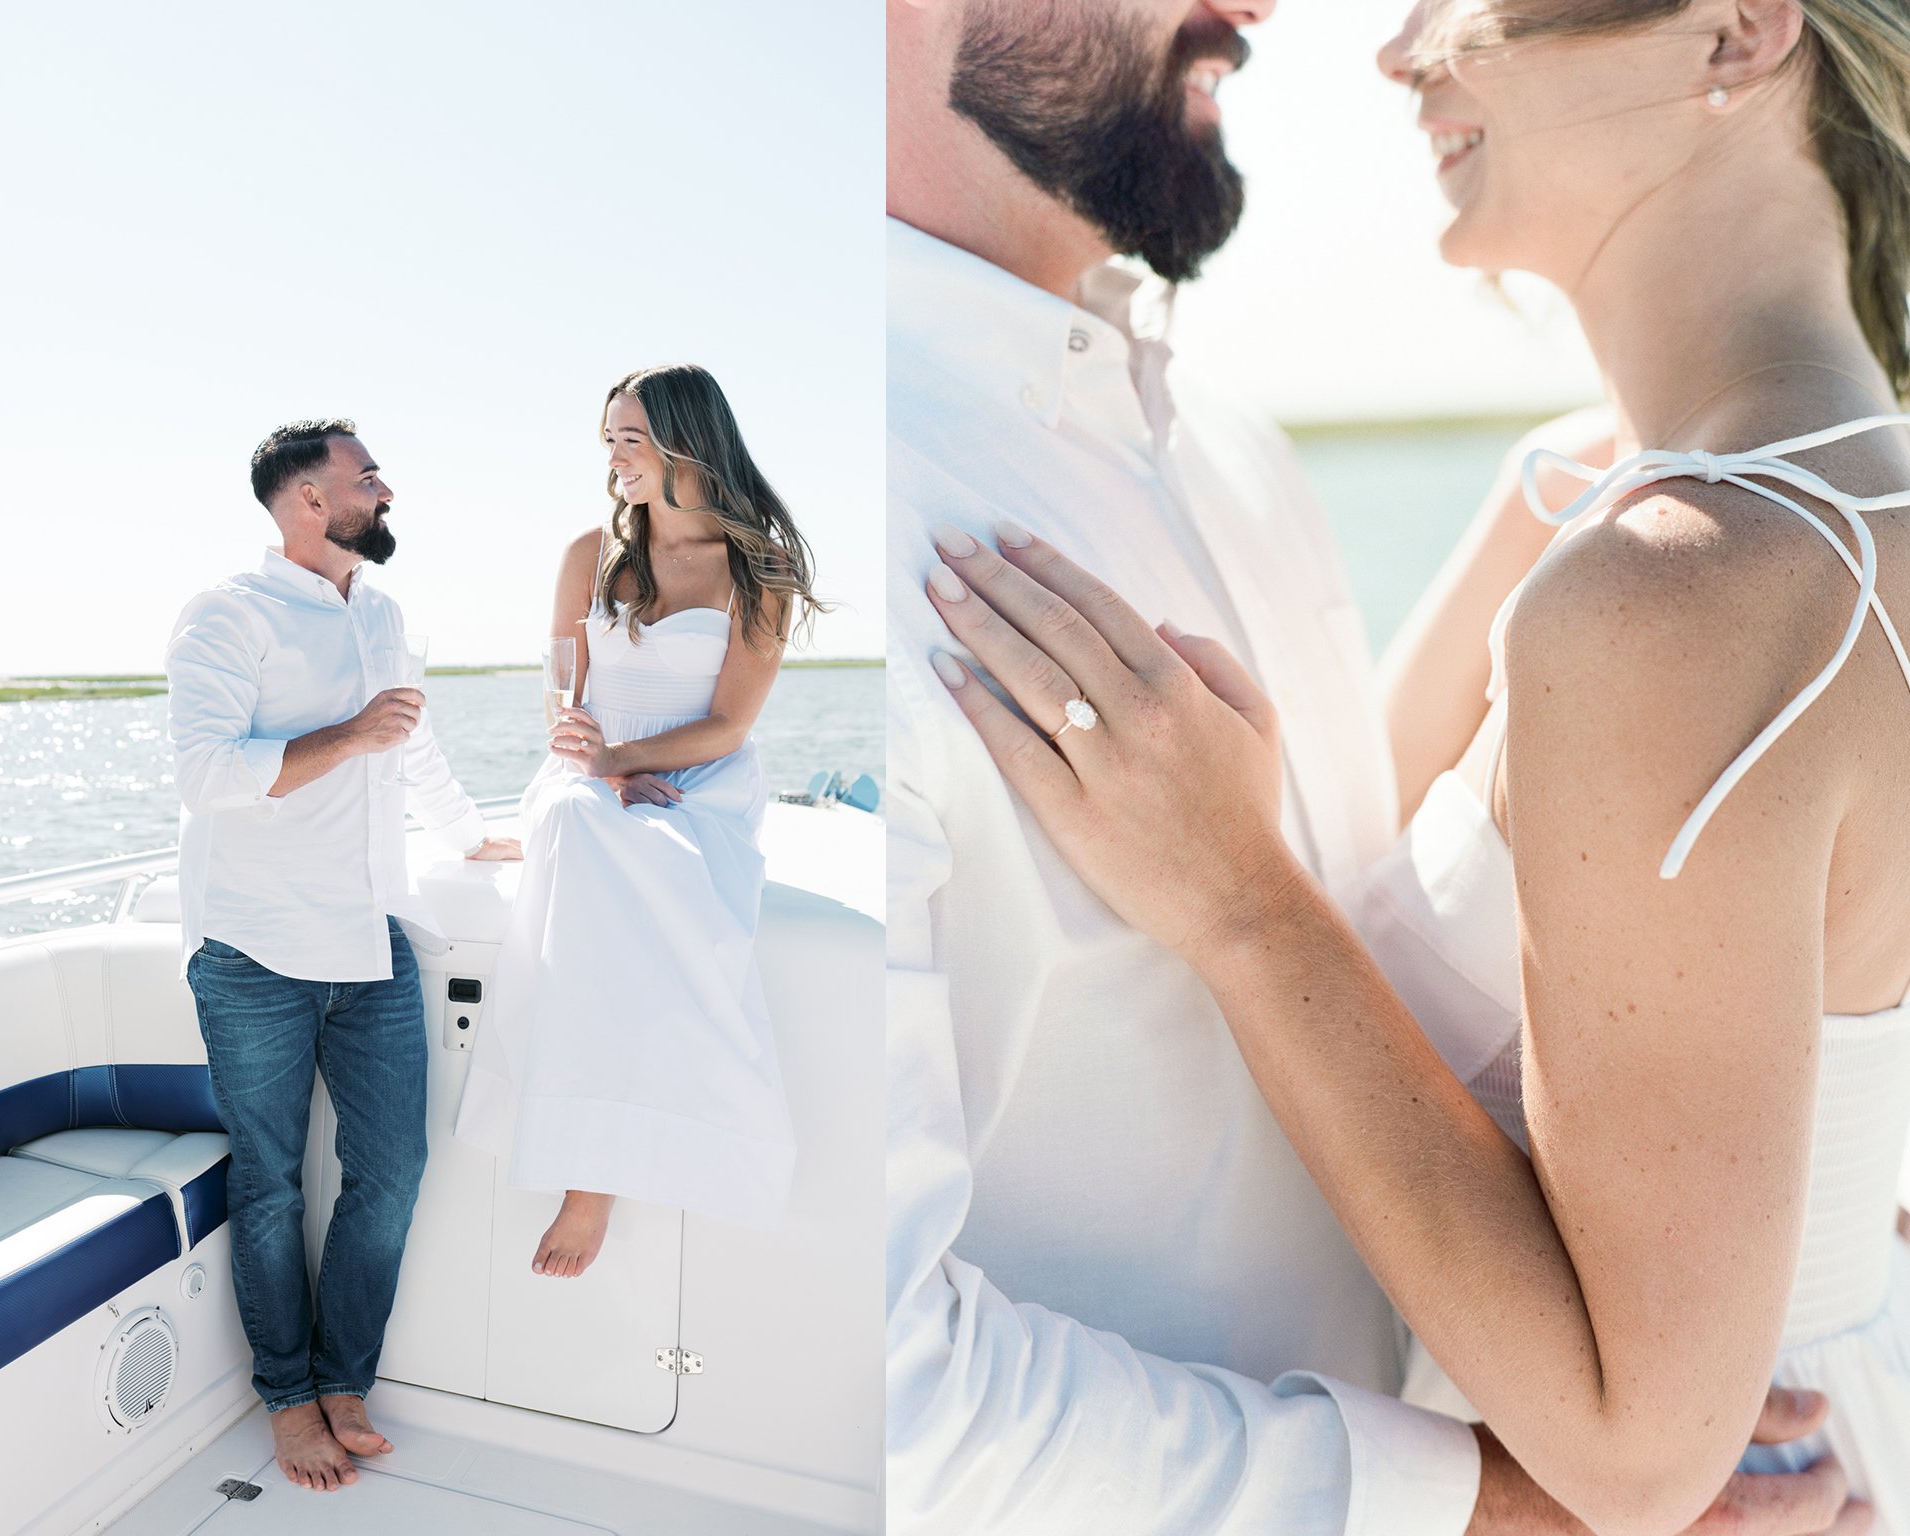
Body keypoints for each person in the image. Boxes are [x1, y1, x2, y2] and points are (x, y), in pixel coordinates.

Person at [884, 0, 1866, 1532]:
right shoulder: (884, 519)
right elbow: (899, 1413)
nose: (1377, 45)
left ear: (1737, 40)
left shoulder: (1242, 462)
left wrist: (1240, 896)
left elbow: (1337, 915)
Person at [168, 419, 521, 1493]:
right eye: (366, 478)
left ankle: (342, 1378)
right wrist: (348, 739)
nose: (386, 491)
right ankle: (288, 1399)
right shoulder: (225, 614)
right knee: (270, 1186)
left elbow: (408, 741)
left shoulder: (382, 611)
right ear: (309, 503)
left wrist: (467, 834)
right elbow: (207, 776)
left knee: (392, 1171)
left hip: (368, 942)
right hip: (253, 949)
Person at [455, 364, 825, 1276]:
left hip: (699, 783)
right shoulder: (592, 555)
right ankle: (591, 1174)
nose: (615, 459)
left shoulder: (760, 571)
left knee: (626, 850)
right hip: (587, 775)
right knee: (584, 826)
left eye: (632, 439)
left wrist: (632, 765)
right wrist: (596, 760)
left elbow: (731, 722)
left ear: (687, 444)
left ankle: (600, 1175)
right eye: (609, 440)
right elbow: (559, 693)